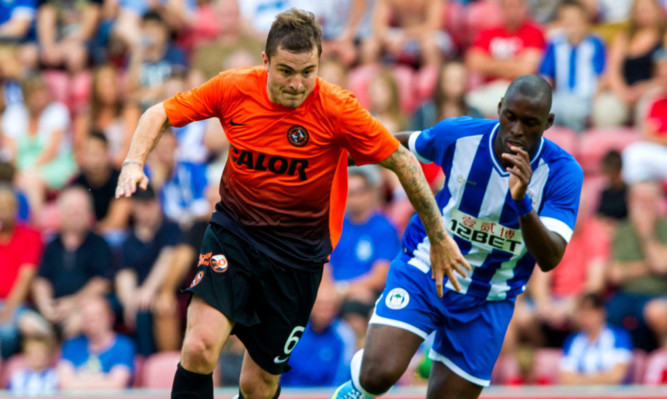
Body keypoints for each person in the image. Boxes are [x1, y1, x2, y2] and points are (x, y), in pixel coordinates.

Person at [114, 9, 466, 399]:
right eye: (285, 71)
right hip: (235, 234)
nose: (297, 84)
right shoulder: (233, 88)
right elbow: (158, 112)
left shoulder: (338, 109)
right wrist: (133, 162)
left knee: (257, 384)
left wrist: (438, 236)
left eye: (307, 71)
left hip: (298, 259)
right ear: (265, 61)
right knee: (198, 347)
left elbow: (404, 163)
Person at [331, 75, 583, 399]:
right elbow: (398, 147)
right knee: (377, 376)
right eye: (510, 117)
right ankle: (358, 384)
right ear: (499, 108)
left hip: (489, 297)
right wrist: (335, 160)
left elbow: (550, 258)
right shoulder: (461, 135)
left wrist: (522, 203)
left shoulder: (563, 172)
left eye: (530, 122)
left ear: (548, 123)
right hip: (426, 267)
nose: (517, 129)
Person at [539, 0, 606, 132]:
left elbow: (602, 76)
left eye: (576, 21)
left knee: (574, 112)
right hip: (561, 96)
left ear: (585, 22)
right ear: (560, 23)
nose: (572, 26)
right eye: (567, 21)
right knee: (547, 112)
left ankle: (578, 141)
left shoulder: (594, 44)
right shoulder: (555, 44)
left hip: (585, 98)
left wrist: (596, 100)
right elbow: (546, 75)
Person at [56, 295, 135, 391]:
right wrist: (104, 380)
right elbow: (64, 385)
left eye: (96, 315)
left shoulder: (123, 345)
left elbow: (116, 386)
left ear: (110, 317)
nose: (90, 320)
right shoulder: (71, 345)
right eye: (86, 316)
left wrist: (78, 381)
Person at [559, 293, 633, 385]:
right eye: (582, 311)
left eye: (590, 310)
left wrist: (579, 380)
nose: (585, 315)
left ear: (601, 312)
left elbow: (617, 376)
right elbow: (566, 379)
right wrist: (602, 378)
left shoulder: (619, 336)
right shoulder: (572, 340)